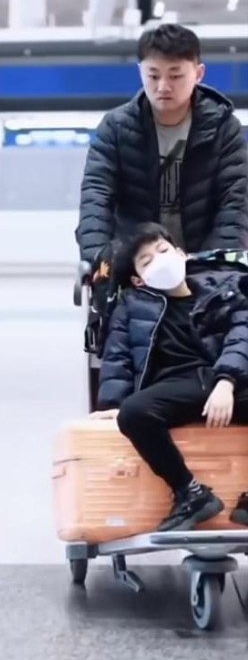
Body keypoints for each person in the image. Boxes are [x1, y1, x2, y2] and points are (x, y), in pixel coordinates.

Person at [92, 222, 248, 531]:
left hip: (225, 380)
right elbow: (118, 358)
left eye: (163, 251)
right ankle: (191, 494)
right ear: (138, 280)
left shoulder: (225, 289)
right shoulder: (131, 306)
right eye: (147, 260)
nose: (159, 261)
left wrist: (226, 382)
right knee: (133, 413)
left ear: (181, 253)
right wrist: (114, 405)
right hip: (173, 387)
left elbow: (241, 335)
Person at [76, 24, 248, 264]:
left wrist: (217, 264)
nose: (163, 86)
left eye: (175, 76)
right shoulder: (116, 127)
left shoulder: (223, 128)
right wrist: (100, 261)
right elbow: (96, 196)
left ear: (198, 74)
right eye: (153, 76)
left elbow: (235, 202)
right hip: (137, 263)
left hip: (203, 261)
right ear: (140, 72)